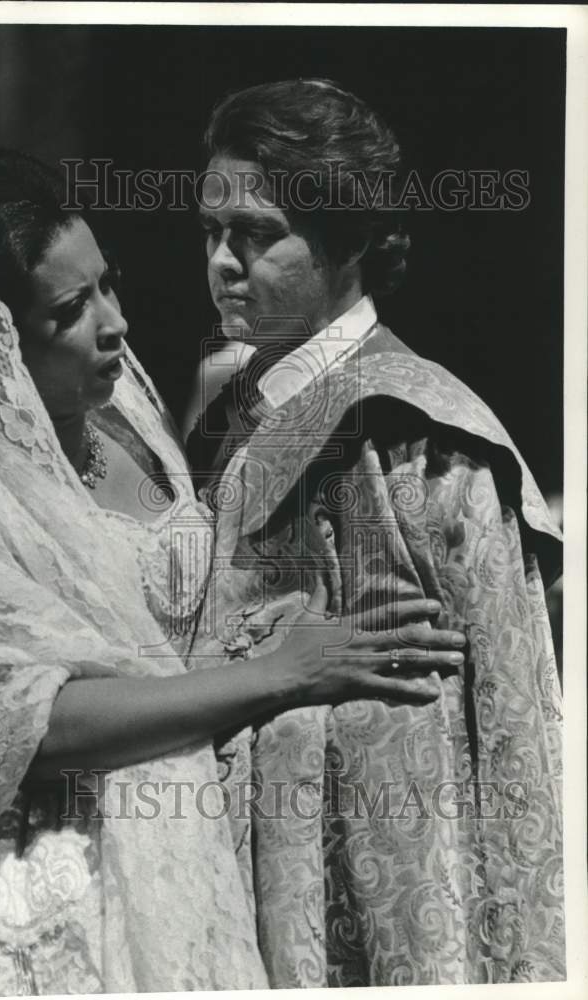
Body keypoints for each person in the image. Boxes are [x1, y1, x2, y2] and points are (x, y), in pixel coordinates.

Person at [0, 136, 466, 998]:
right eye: (67, 312)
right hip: (53, 888)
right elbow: (21, 730)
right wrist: (276, 676)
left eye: (107, 283)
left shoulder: (118, 400)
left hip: (190, 835)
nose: (114, 323)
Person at [185, 79, 564, 986]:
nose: (224, 264)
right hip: (242, 843)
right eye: (211, 233)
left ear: (348, 238)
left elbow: (515, 713)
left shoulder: (416, 427)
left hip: (381, 864)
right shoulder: (239, 406)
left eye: (258, 234)